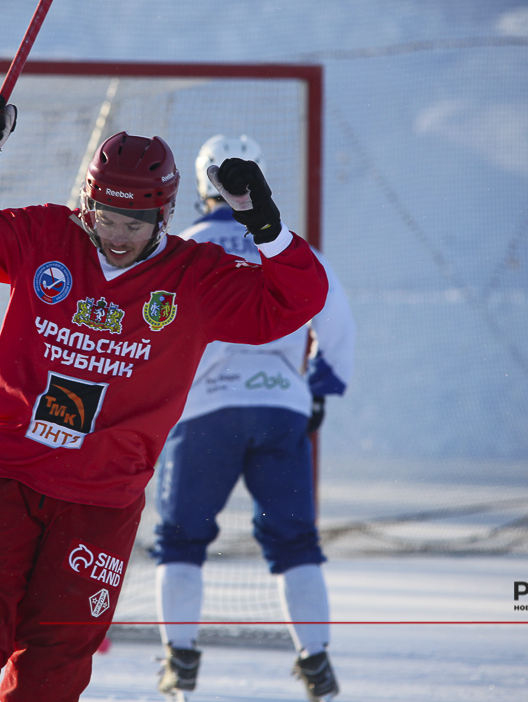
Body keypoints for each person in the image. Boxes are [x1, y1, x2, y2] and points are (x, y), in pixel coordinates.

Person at [0, 94, 330, 702]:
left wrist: (261, 221)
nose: (115, 235)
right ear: (87, 201)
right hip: (6, 477)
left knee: (53, 663)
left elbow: (294, 301)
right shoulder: (46, 235)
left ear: (163, 217)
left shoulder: (195, 278)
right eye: (104, 218)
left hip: (100, 501)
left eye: (133, 225)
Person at [151, 134, 355, 702]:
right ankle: (317, 666)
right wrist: (318, 387)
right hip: (281, 408)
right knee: (295, 543)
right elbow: (337, 324)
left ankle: (181, 666)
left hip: (205, 413)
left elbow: (152, 327)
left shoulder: (182, 246)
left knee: (180, 540)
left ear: (198, 184)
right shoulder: (292, 248)